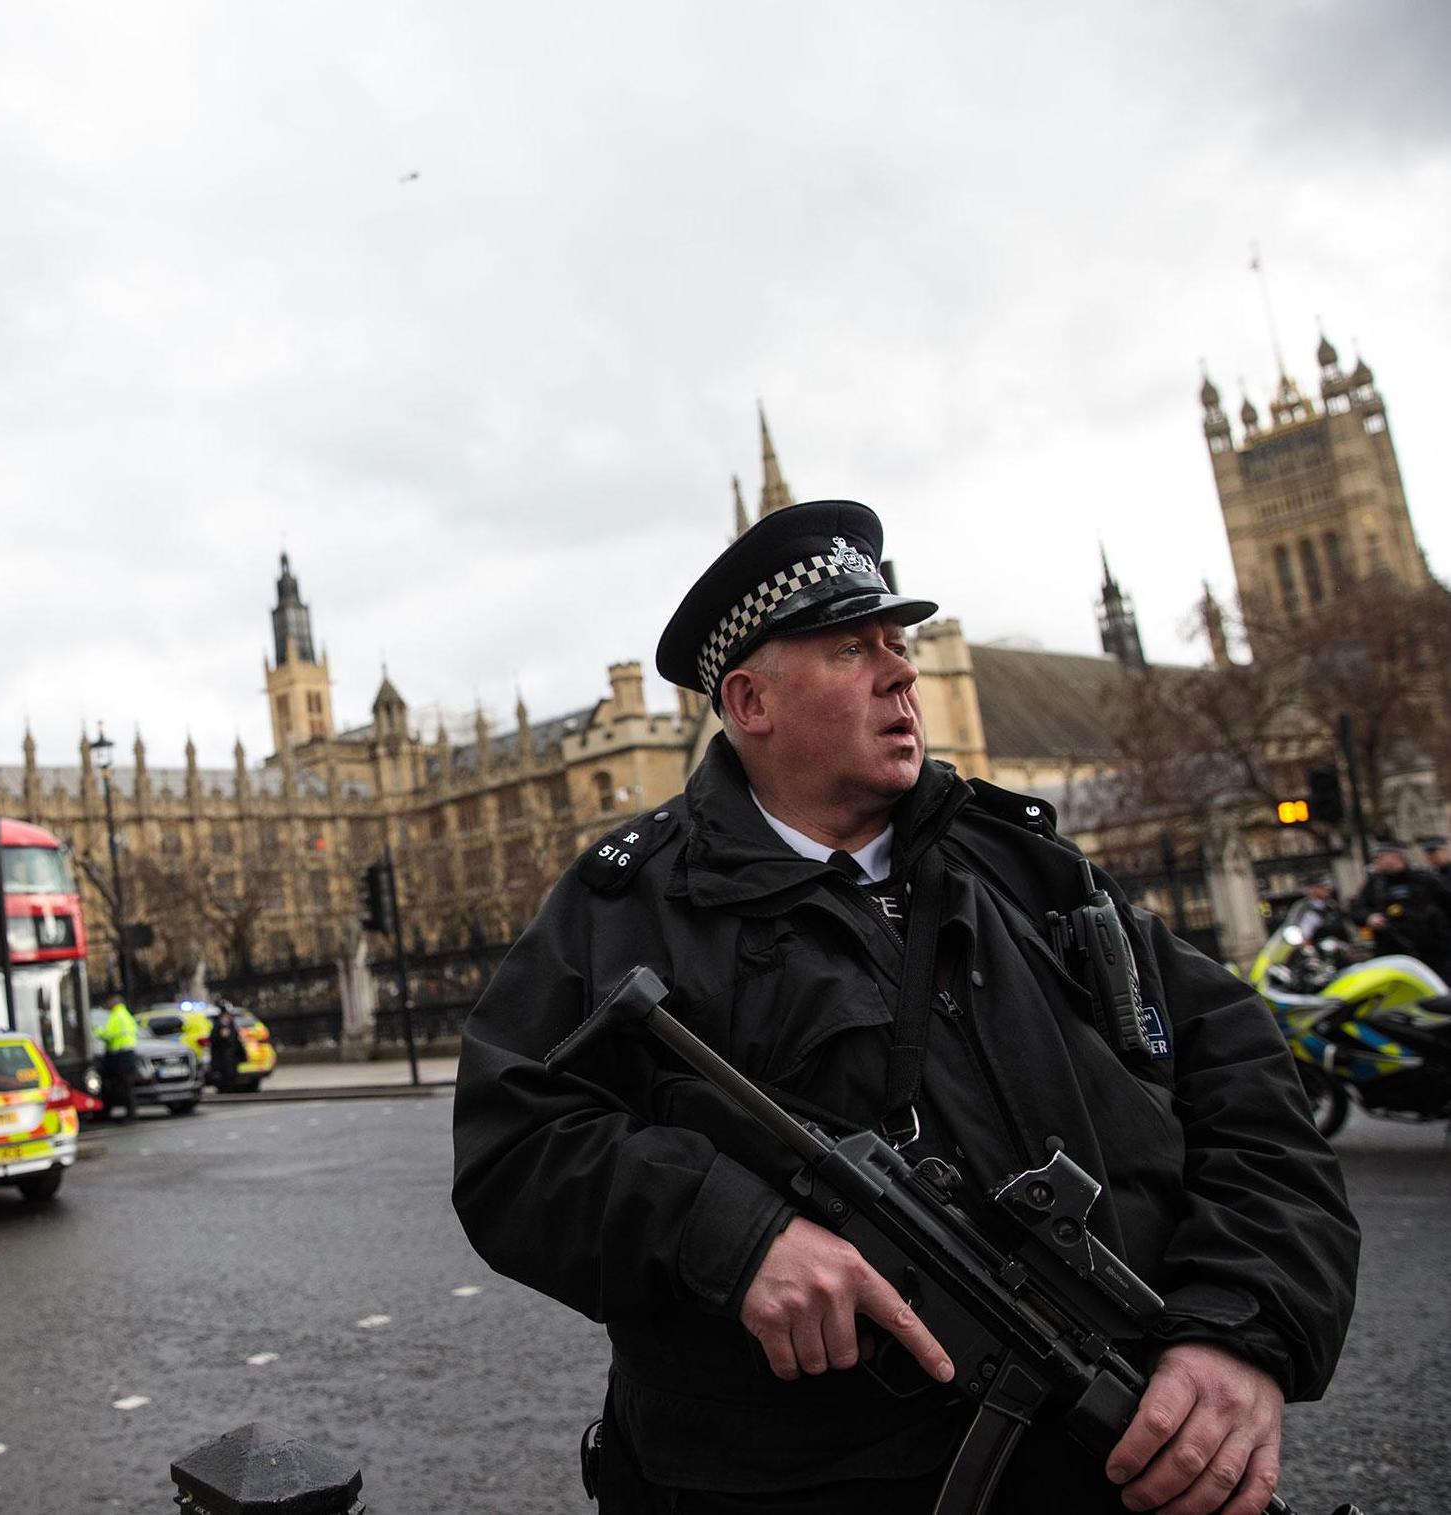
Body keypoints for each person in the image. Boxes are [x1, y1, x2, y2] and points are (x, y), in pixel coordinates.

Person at [452, 501, 1359, 1515]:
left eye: (898, 642)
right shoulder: (625, 903)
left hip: (1119, 1451)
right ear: (749, 702)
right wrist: (731, 1233)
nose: (901, 672)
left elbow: (1238, 1079)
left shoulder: (1029, 867)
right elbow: (511, 1149)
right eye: (851, 649)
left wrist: (1239, 1325)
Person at [1350, 839, 1451, 979]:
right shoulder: (1375, 885)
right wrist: (1370, 918)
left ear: (1396, 857)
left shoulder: (1425, 880)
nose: (1377, 861)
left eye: (1381, 857)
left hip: (1433, 951)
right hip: (1393, 950)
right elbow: (1357, 910)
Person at [97, 998, 140, 1122]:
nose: (107, 1005)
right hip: (128, 1054)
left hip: (119, 1055)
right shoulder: (126, 1015)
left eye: (108, 1003)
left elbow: (108, 1035)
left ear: (113, 1003)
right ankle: (131, 1112)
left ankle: (129, 1114)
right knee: (127, 1086)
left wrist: (96, 1031)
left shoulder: (116, 1016)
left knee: (122, 1085)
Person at [207, 1005, 244, 1091]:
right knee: (224, 1077)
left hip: (231, 1056)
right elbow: (216, 1040)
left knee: (231, 1075)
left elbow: (236, 1039)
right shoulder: (219, 1025)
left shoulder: (230, 1024)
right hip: (223, 1057)